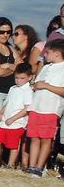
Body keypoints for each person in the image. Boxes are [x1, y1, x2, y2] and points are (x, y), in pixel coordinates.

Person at [26, 38, 64, 176]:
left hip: (51, 109)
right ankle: (32, 165)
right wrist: (36, 85)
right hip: (36, 107)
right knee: (34, 137)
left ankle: (39, 167)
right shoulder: (46, 67)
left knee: (46, 139)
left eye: (47, 53)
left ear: (56, 54)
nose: (44, 55)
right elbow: (36, 84)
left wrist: (46, 86)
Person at [0, 64, 32, 169]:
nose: (18, 80)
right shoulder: (12, 88)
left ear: (29, 77)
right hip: (5, 121)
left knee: (13, 145)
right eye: (16, 78)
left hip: (17, 123)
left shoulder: (28, 91)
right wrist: (0, 113)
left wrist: (13, 118)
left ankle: (10, 165)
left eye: (22, 78)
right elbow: (7, 104)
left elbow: (27, 109)